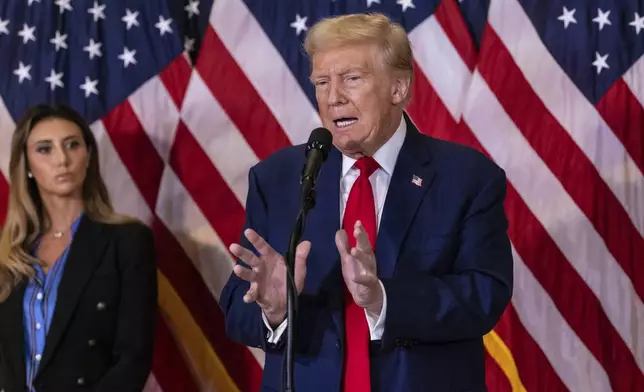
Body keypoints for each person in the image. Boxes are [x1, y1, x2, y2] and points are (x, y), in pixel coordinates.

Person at [220, 12, 513, 392]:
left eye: (352, 79)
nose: (333, 96)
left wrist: (384, 299)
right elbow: (236, 309)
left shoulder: (466, 177)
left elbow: (484, 295)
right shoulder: (278, 178)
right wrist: (275, 311)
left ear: (398, 88)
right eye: (322, 82)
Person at [0, 104, 158, 392]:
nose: (62, 159)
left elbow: (133, 357)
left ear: (88, 156)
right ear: (27, 166)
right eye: (45, 149)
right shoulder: (9, 253)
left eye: (72, 145)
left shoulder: (127, 240)